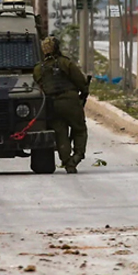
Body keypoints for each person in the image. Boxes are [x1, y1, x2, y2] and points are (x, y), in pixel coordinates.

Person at [33, 36, 89, 173]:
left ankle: (67, 162)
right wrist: (83, 93)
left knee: (60, 133)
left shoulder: (38, 69)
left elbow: (39, 86)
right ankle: (77, 156)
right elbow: (81, 81)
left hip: (52, 105)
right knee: (79, 129)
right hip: (70, 101)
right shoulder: (66, 63)